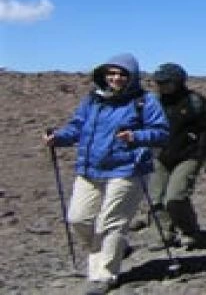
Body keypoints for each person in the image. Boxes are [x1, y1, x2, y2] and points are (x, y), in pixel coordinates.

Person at [43, 54, 169, 295]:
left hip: (128, 168)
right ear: (103, 75)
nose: (116, 78)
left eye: (122, 74)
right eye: (111, 73)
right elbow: (77, 126)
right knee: (78, 219)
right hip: (90, 168)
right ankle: (117, 248)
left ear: (132, 77)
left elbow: (161, 132)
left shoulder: (145, 101)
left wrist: (136, 137)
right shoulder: (93, 100)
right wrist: (58, 138)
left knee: (111, 222)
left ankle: (103, 276)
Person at [147, 63, 206, 249]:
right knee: (156, 199)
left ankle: (189, 231)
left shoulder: (195, 102)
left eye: (166, 82)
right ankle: (165, 233)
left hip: (189, 155)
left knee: (175, 197)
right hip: (159, 155)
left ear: (178, 82)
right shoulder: (152, 102)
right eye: (159, 82)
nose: (161, 86)